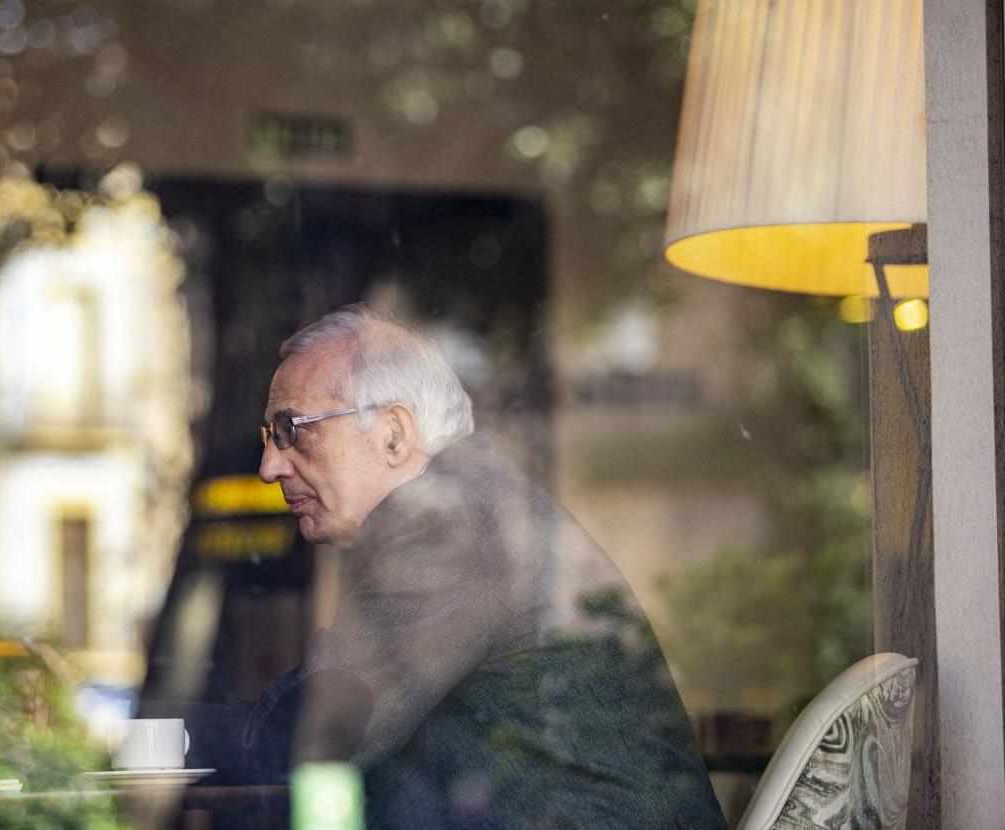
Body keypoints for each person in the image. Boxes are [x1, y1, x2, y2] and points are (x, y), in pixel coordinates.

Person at [191, 304, 727, 829]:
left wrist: (137, 737)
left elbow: (314, 731)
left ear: (394, 433)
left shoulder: (455, 527)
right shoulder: (472, 509)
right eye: (270, 438)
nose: (269, 467)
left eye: (291, 429)